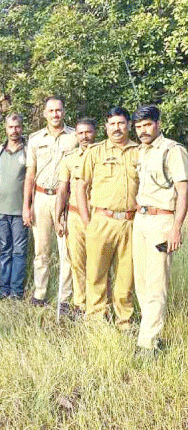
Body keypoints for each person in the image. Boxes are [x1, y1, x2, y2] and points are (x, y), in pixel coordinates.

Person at [75, 107, 138, 329]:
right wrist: (87, 221)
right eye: (112, 124)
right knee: (95, 275)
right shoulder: (95, 152)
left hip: (130, 223)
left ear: (129, 125)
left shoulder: (139, 152)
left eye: (121, 123)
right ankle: (96, 320)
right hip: (101, 221)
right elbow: (81, 186)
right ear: (106, 127)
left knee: (126, 277)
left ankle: (124, 321)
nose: (117, 128)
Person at [132, 106, 188, 353]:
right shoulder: (142, 151)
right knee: (142, 283)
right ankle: (150, 333)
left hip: (162, 221)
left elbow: (183, 191)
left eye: (147, 125)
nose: (143, 131)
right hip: (141, 220)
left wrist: (176, 228)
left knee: (156, 284)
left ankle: (147, 344)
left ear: (158, 123)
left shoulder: (173, 151)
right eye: (138, 126)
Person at [23, 97, 77, 306]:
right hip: (41, 199)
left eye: (58, 110)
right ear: (45, 113)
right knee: (41, 250)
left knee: (66, 251)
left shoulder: (74, 137)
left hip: (65, 199)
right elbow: (30, 174)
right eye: (51, 111)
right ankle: (40, 294)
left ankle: (64, 299)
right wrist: (26, 206)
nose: (55, 114)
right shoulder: (35, 139)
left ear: (64, 112)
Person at [55, 118, 97, 315]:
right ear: (76, 135)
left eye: (88, 132)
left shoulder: (102, 155)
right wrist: (58, 217)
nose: (85, 136)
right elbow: (63, 190)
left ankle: (97, 306)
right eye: (80, 133)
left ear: (95, 133)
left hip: (98, 216)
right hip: (74, 216)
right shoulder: (70, 158)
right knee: (77, 263)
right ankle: (80, 305)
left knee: (98, 264)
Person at [0, 114, 28, 299]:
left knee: (19, 251)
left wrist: (29, 207)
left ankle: (17, 292)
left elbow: (31, 181)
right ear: (6, 128)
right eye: (11, 127)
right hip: (0, 209)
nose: (14, 131)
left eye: (17, 127)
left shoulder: (28, 150)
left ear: (22, 127)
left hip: (20, 211)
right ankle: (3, 289)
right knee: (5, 250)